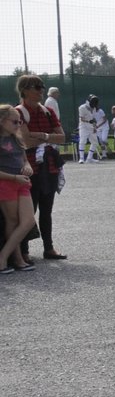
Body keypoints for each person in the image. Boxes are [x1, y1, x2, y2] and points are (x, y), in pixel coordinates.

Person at [15, 74, 65, 260]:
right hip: (27, 168)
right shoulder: (18, 112)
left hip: (49, 167)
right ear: (25, 89)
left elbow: (62, 137)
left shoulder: (47, 111)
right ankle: (24, 250)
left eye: (42, 87)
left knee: (47, 210)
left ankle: (48, 248)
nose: (41, 90)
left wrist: (40, 136)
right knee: (28, 212)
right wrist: (47, 136)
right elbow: (26, 142)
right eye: (37, 87)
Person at [0, 104, 37, 273]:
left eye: (19, 121)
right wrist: (14, 177)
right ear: (2, 121)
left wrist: (27, 165)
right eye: (15, 121)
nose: (18, 125)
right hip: (6, 183)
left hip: (22, 182)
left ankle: (3, 256)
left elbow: (24, 159)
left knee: (28, 221)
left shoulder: (17, 138)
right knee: (12, 221)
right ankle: (16, 259)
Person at [77, 94, 107, 163]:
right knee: (82, 141)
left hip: (91, 127)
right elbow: (81, 118)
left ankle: (89, 158)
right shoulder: (82, 107)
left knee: (95, 142)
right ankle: (81, 158)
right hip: (83, 127)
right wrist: (88, 121)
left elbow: (93, 118)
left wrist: (94, 126)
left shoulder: (93, 108)